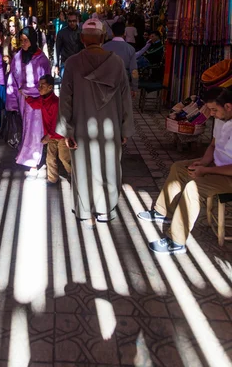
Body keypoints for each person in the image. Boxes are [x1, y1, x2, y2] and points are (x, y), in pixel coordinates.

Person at [57, 19, 134, 226]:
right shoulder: (117, 63)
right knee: (109, 166)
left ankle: (84, 211)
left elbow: (65, 99)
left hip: (81, 126)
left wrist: (66, 130)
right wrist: (126, 128)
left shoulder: (72, 63)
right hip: (111, 127)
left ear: (82, 39)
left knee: (82, 167)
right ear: (102, 38)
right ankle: (106, 209)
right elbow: (126, 98)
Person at [138, 87, 232, 255]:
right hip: (216, 165)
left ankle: (176, 241)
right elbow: (213, 145)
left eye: (214, 110)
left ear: (228, 106)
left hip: (228, 176)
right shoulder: (221, 118)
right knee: (179, 168)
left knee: (193, 189)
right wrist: (202, 162)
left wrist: (203, 171)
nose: (211, 114)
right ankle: (163, 212)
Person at [6, 27, 51, 168]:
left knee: (35, 130)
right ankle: (26, 155)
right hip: (22, 101)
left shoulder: (42, 60)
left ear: (33, 41)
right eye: (21, 41)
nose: (23, 43)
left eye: (26, 41)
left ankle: (33, 159)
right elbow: (12, 79)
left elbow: (46, 82)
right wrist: (12, 101)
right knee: (25, 129)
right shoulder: (18, 57)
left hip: (37, 101)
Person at [23, 74, 71, 185]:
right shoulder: (43, 100)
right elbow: (35, 104)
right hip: (52, 136)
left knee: (64, 157)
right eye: (39, 85)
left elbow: (56, 122)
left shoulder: (55, 103)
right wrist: (26, 97)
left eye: (42, 85)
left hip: (60, 135)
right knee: (50, 158)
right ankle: (52, 179)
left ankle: (72, 173)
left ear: (50, 87)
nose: (39, 88)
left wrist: (48, 136)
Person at [102, 21, 139, 96]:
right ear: (124, 33)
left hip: (106, 83)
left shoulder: (104, 47)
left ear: (112, 32)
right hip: (123, 82)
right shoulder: (130, 49)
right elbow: (134, 70)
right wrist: (134, 87)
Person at [54, 10, 84, 77]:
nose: (72, 23)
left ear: (77, 21)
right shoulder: (62, 33)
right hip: (65, 63)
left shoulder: (81, 33)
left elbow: (84, 49)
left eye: (74, 21)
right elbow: (57, 49)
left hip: (78, 63)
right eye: (70, 21)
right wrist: (56, 65)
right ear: (67, 21)